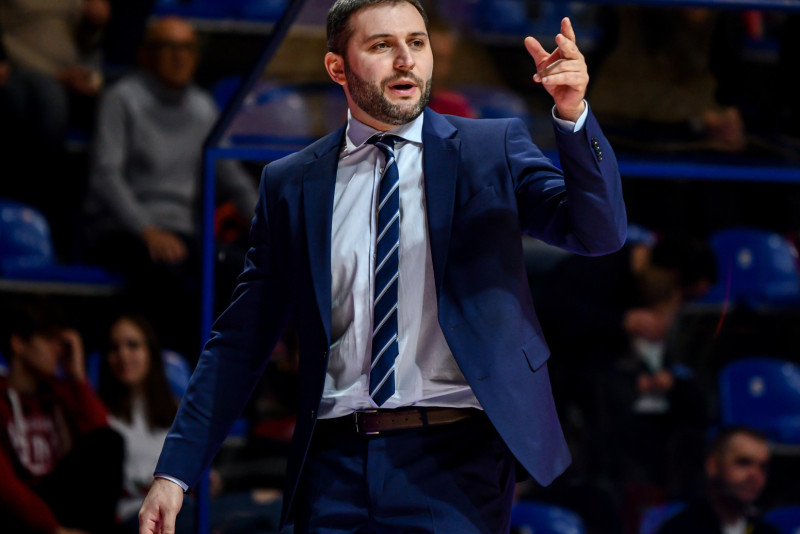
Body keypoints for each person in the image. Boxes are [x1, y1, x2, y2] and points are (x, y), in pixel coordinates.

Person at [139, 0, 627, 532]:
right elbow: (240, 340)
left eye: (416, 42)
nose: (405, 60)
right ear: (337, 67)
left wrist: (573, 115)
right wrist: (174, 473)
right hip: (331, 462)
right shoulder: (291, 183)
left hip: (455, 460)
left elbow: (598, 233)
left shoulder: (490, 150)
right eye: (381, 45)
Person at [83, 16, 258, 356]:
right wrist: (146, 229)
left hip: (180, 235)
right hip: (123, 230)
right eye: (169, 47)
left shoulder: (203, 108)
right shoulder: (122, 99)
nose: (180, 56)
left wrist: (269, 226)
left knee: (239, 268)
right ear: (146, 55)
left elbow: (232, 179)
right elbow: (105, 176)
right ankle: (170, 371)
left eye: (187, 48)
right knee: (168, 276)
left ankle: (220, 372)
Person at [98, 314, 282, 534]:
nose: (123, 355)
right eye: (114, 348)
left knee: (274, 506)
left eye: (132, 345)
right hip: (140, 513)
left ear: (151, 352)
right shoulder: (99, 412)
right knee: (257, 520)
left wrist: (206, 480)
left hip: (188, 504)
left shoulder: (175, 407)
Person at [0, 296, 123, 534]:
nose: (58, 349)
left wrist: (77, 376)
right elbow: (5, 486)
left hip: (61, 502)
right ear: (19, 344)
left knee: (109, 442)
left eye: (61, 342)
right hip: (18, 513)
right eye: (49, 340)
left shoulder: (61, 392)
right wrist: (54, 529)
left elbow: (102, 437)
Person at [657, 426, 779, 534]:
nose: (755, 475)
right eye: (743, 462)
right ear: (713, 465)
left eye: (763, 467)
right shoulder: (679, 529)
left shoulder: (767, 532)